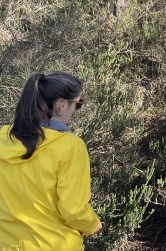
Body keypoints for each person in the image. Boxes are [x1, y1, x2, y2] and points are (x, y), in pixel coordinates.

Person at [0, 72, 102, 250]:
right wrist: (93, 225)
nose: (76, 110)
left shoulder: (3, 137)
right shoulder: (70, 147)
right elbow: (73, 210)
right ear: (61, 106)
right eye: (78, 104)